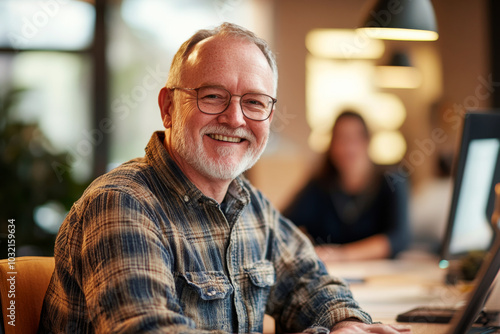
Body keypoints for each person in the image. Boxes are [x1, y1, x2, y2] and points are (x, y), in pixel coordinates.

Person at [38, 23, 410, 334]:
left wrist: (345, 323)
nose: (235, 119)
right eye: (213, 96)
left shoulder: (250, 205)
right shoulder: (122, 204)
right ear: (168, 108)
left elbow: (310, 282)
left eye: (254, 102)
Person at [284, 111, 411, 262]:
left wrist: (342, 254)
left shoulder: (392, 181)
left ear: (367, 141)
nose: (348, 147)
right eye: (341, 139)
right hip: (330, 274)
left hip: (380, 275)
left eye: (354, 138)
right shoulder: (319, 186)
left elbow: (398, 238)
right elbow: (282, 223)